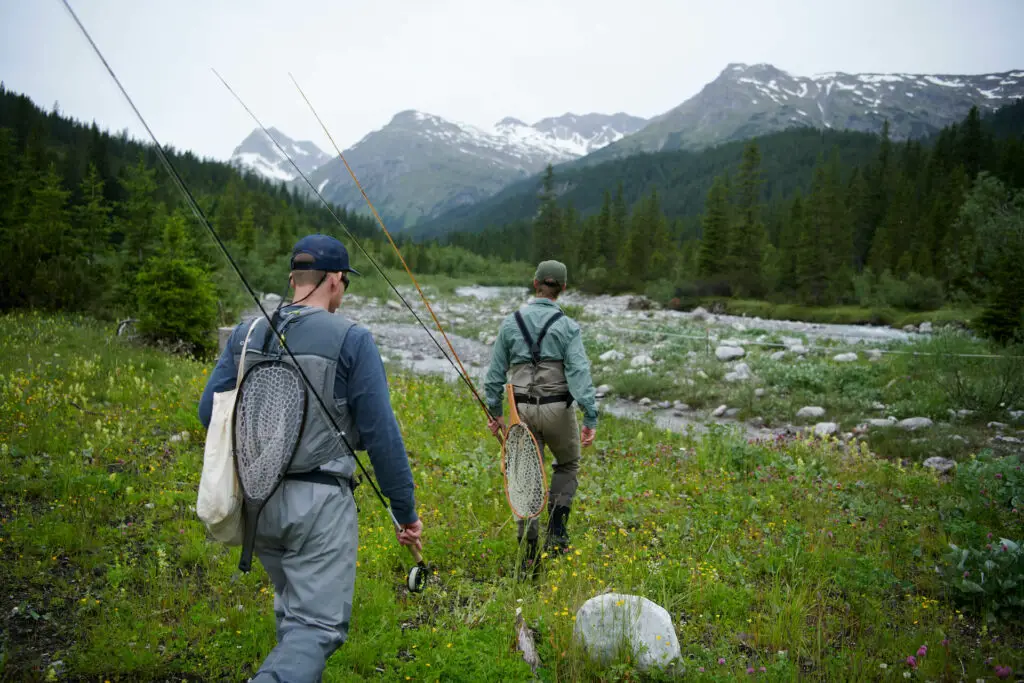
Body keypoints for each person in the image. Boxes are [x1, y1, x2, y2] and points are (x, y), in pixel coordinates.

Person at [198, 234, 422, 682]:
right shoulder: (352, 338)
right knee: (315, 628)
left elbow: (210, 411)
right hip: (318, 508)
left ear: (294, 278)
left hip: (257, 498)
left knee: (293, 612)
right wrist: (405, 513)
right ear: (335, 280)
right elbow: (381, 436)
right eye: (345, 283)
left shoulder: (247, 332)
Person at [484, 260, 598, 572]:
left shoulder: (510, 324)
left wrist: (495, 414)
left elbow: (493, 378)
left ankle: (530, 548)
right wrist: (590, 416)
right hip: (559, 408)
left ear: (535, 284)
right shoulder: (568, 327)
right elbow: (579, 374)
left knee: (525, 474)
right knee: (568, 464)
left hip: (521, 411)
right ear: (562, 288)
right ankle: (557, 531)